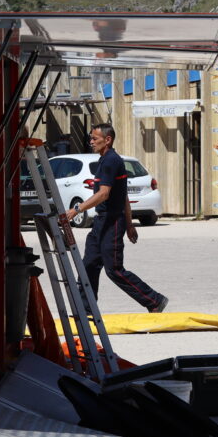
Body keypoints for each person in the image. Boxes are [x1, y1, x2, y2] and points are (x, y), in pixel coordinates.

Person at [65, 123, 168, 313]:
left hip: (111, 222)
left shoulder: (111, 161)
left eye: (94, 138)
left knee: (114, 270)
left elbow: (103, 194)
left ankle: (154, 300)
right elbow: (124, 196)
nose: (91, 142)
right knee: (88, 265)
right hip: (101, 222)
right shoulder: (104, 160)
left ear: (108, 140)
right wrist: (130, 224)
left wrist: (77, 209)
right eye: (90, 138)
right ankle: (86, 310)